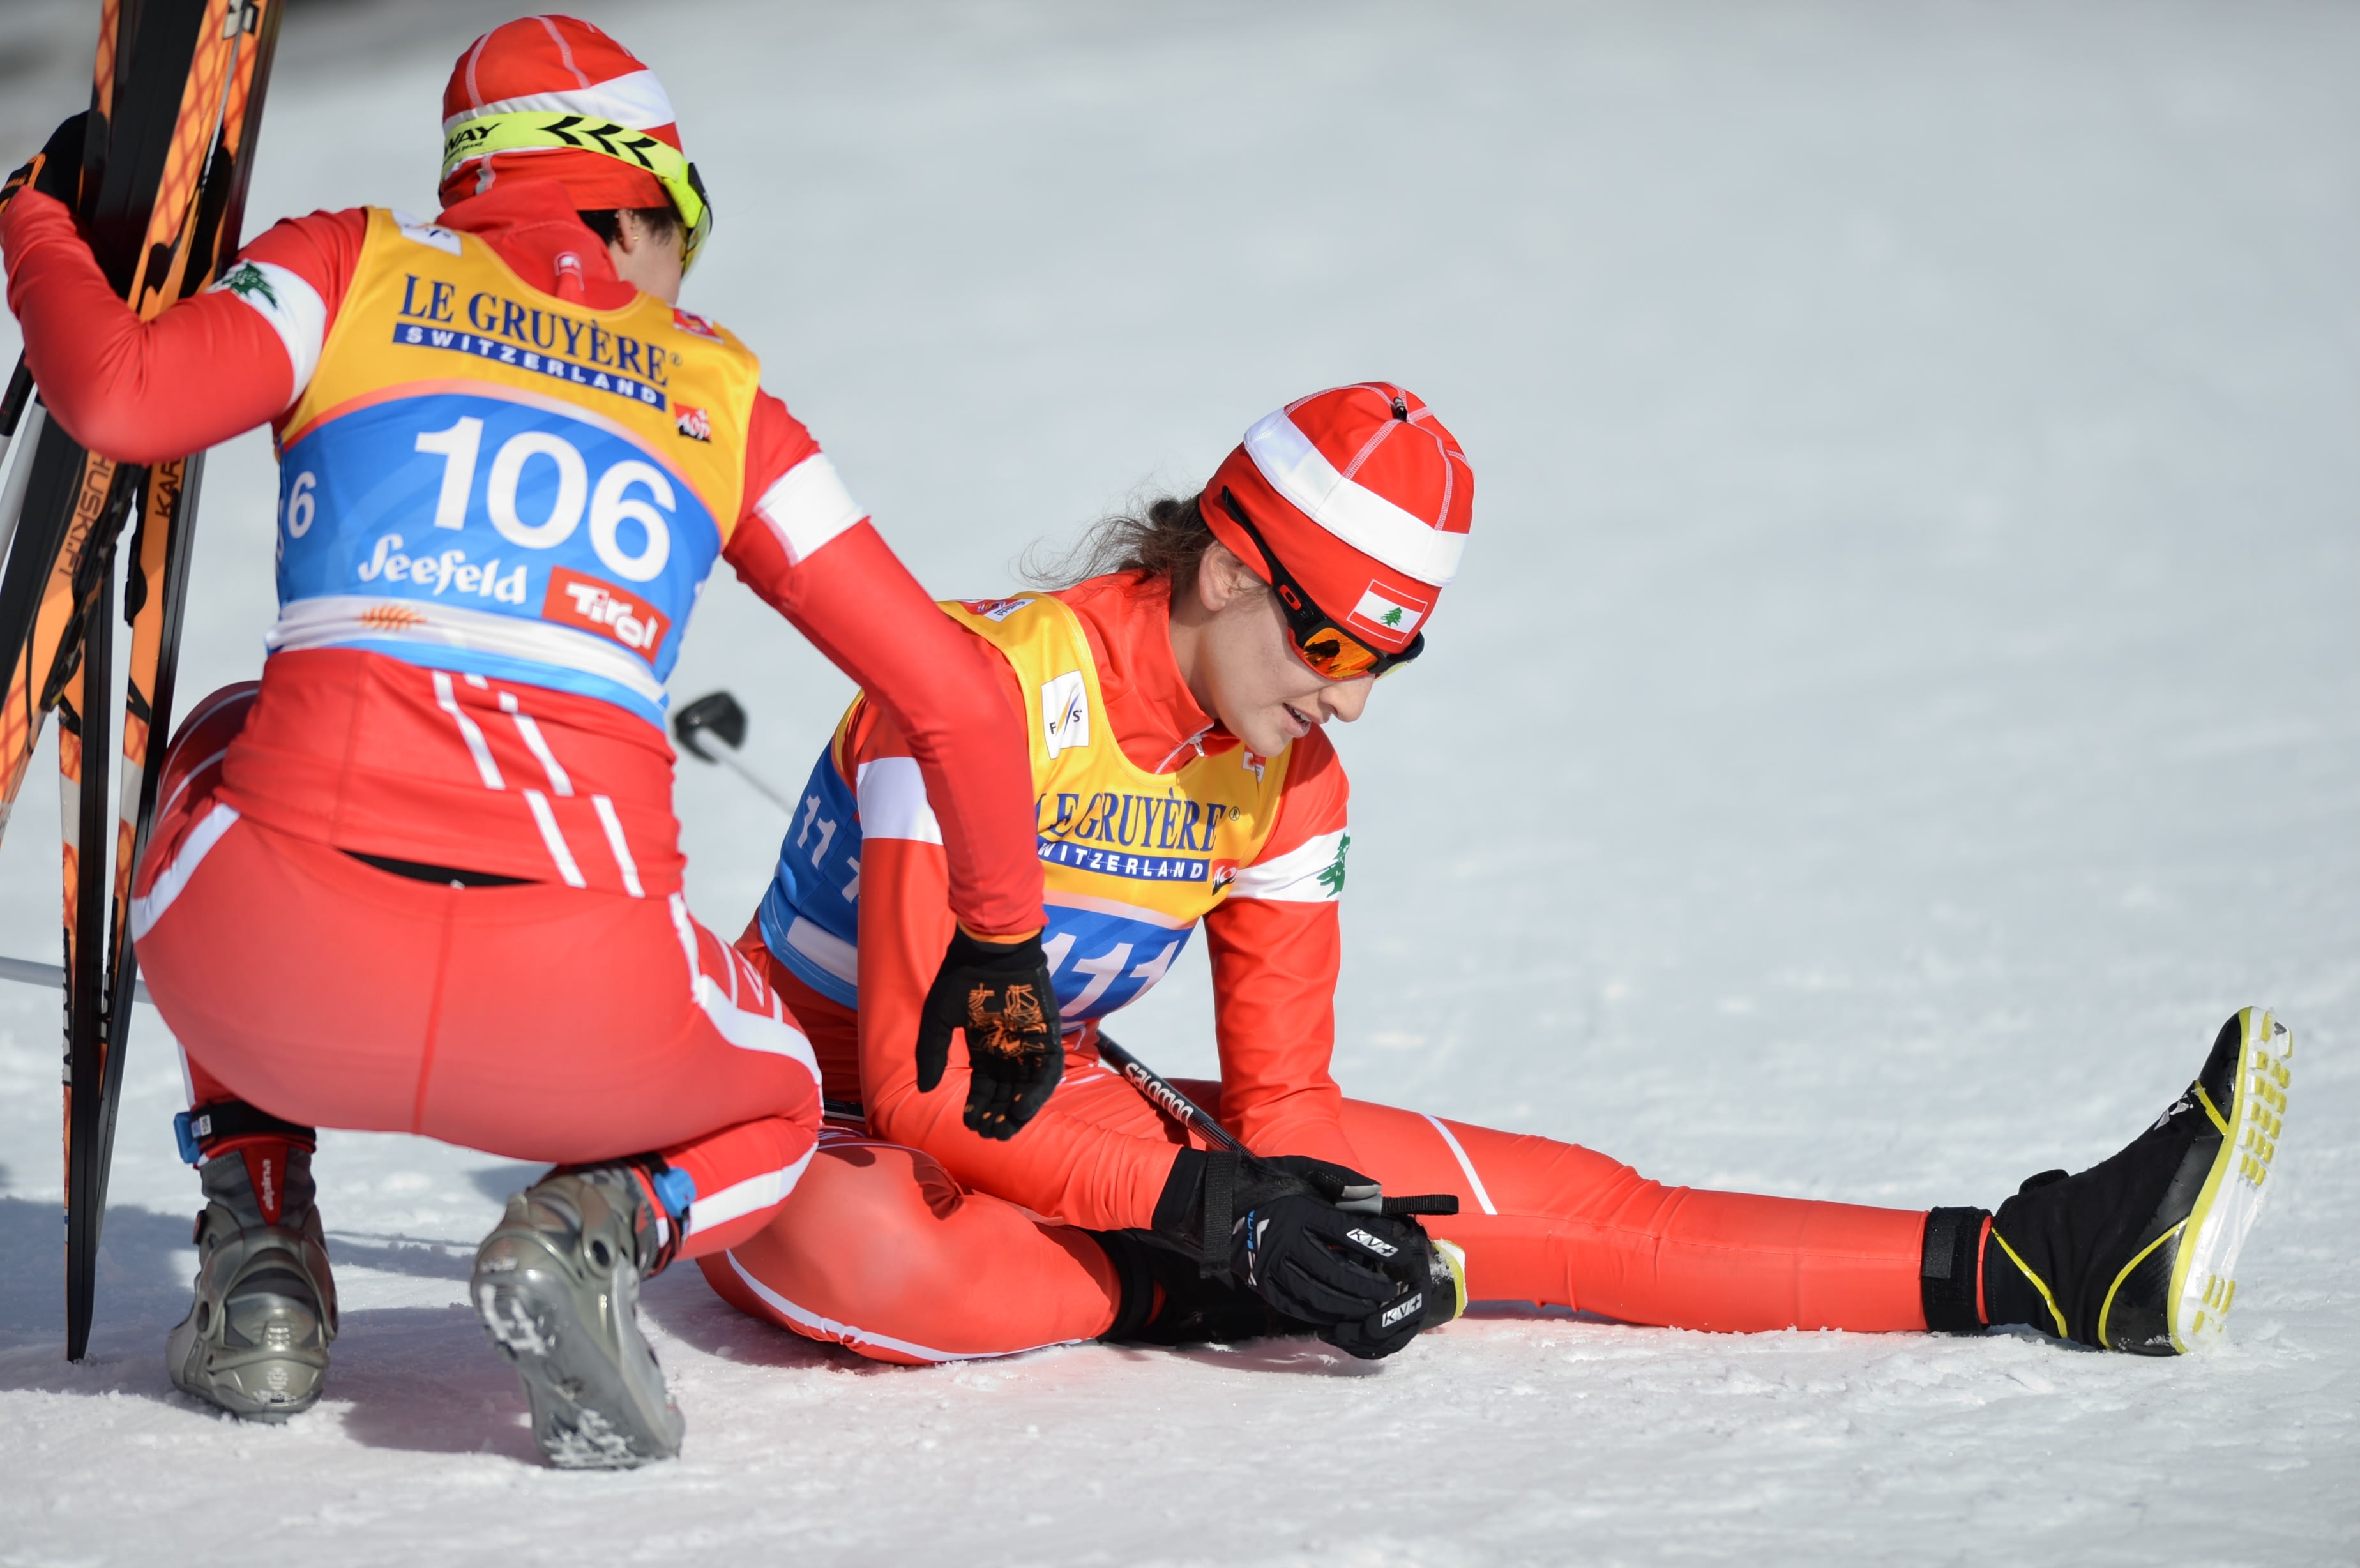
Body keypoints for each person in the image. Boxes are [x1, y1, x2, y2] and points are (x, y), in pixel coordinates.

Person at [702, 380, 2297, 1365]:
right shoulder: (980, 690)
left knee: (1554, 1206)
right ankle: (1167, 1292)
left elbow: (1290, 1108)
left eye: (1388, 662)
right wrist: (1216, 1230)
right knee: (873, 1250)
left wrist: (1287, 1209)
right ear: (1225, 568)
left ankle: (2041, 1261)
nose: (1349, 702)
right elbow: (915, 1086)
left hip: (1046, 1111)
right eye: (1330, 646)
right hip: (819, 1106)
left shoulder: (1289, 776)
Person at [0, 16, 1066, 1467]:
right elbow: (963, 696)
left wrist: (35, 218)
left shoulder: (349, 268)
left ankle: (259, 1250)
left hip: (269, 982)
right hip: (579, 1012)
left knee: (223, 740)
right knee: (781, 1097)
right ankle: (599, 1223)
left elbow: (117, 395)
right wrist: (1001, 945)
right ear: (634, 208)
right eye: (684, 235)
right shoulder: (721, 391)